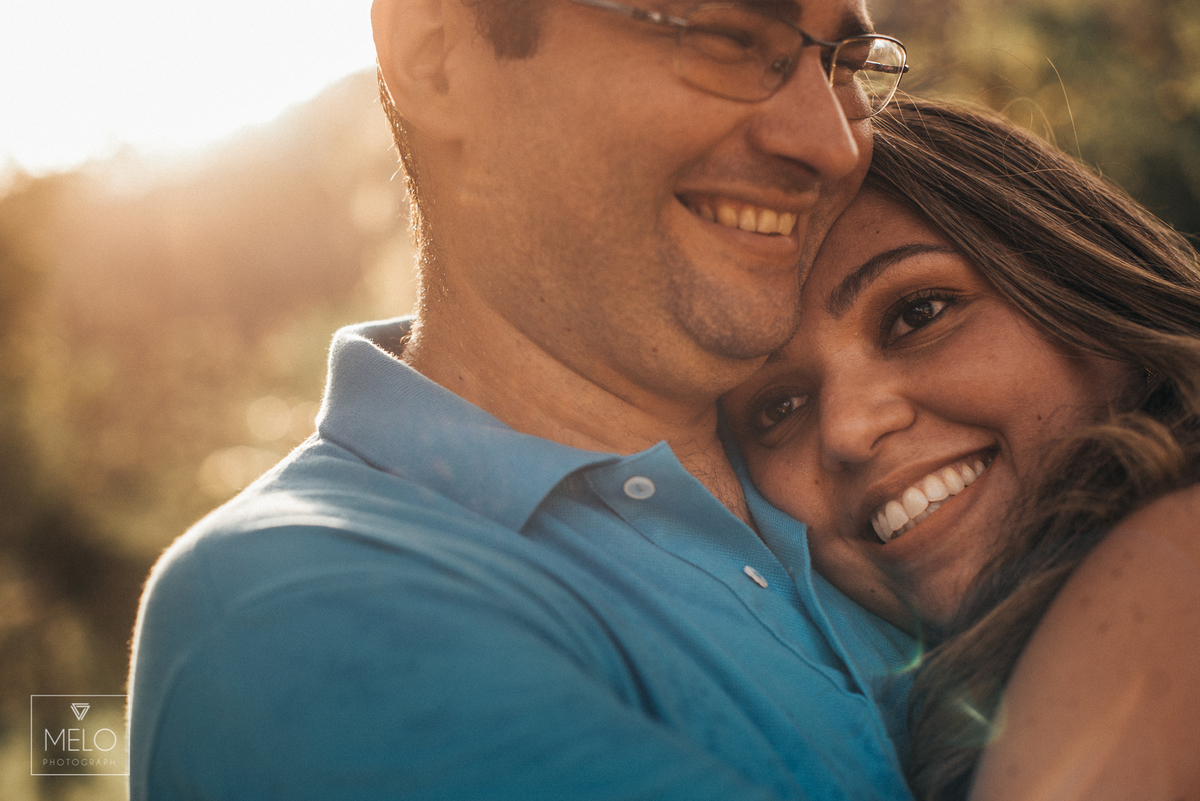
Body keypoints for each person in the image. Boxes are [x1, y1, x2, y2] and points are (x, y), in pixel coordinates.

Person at [127, 1, 918, 799]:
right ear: (437, 55)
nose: (831, 143)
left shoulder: (883, 450)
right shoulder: (287, 612)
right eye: (730, 39)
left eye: (843, 66)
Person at [724, 97, 1200, 801]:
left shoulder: (1169, 563)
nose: (849, 430)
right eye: (780, 406)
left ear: (1080, 278)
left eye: (919, 313)